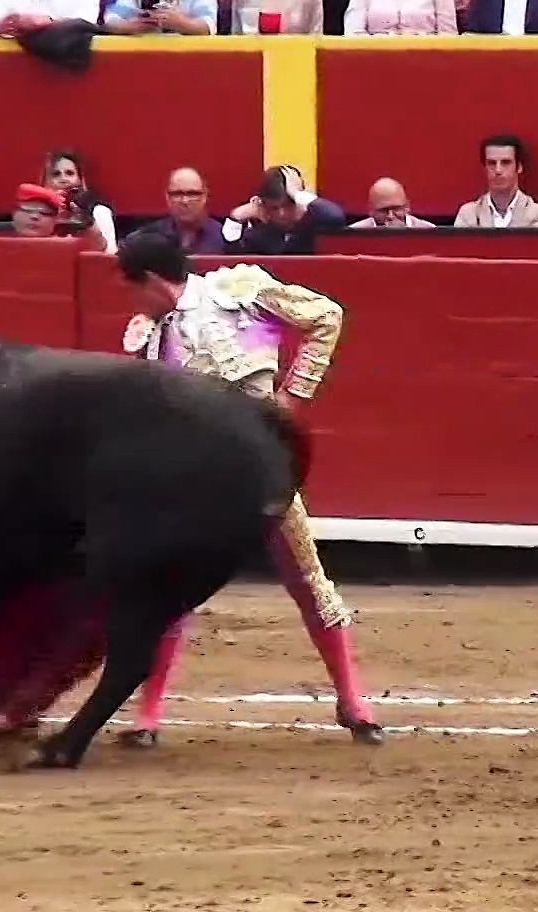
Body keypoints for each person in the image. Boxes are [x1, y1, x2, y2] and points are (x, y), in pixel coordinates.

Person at [115, 231, 383, 748]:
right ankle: (148, 717)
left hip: (260, 470)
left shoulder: (237, 291)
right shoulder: (147, 334)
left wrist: (290, 399)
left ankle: (353, 701)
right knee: (172, 590)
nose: (132, 302)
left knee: (308, 582)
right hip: (193, 481)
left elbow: (326, 316)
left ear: (149, 280)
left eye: (132, 288)